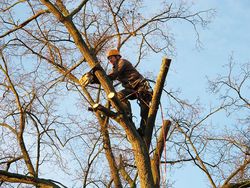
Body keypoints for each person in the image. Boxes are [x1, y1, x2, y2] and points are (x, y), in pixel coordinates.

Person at [81, 49, 153, 136]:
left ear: (117, 57)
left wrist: (95, 75)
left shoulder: (122, 62)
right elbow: (108, 79)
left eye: (111, 58)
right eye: (109, 59)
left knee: (145, 111)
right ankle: (127, 114)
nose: (110, 60)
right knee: (120, 96)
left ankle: (143, 131)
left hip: (142, 88)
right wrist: (93, 79)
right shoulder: (115, 67)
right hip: (133, 90)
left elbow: (112, 76)